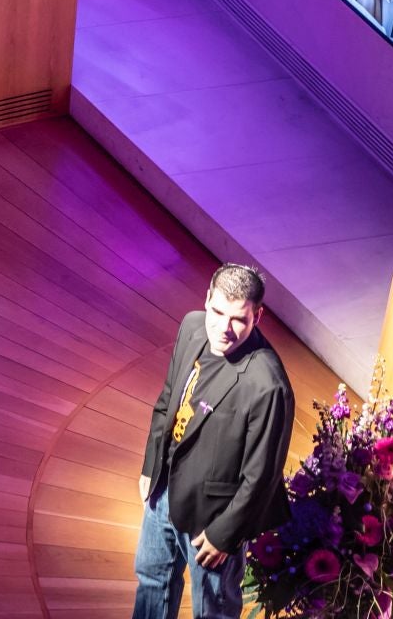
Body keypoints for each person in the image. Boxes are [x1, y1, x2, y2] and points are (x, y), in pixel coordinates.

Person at [134, 264, 293, 619]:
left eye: (238, 318)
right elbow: (167, 400)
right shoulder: (192, 325)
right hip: (163, 491)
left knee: (213, 611)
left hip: (213, 519)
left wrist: (225, 534)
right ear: (207, 299)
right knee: (151, 582)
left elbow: (262, 477)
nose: (223, 328)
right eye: (218, 311)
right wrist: (151, 466)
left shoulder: (267, 384)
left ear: (258, 315)